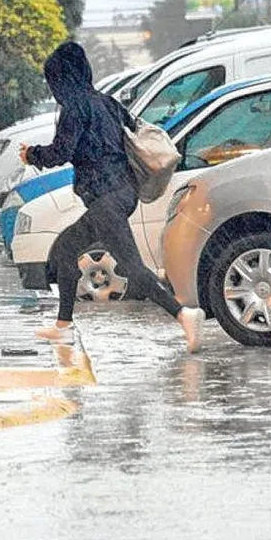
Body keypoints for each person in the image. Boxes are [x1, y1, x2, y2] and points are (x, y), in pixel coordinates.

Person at [20, 42, 207, 353]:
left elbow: (60, 152)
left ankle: (184, 315)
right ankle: (63, 327)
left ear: (60, 79)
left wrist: (32, 154)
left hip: (106, 197)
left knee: (133, 269)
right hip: (122, 191)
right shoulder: (106, 102)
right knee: (66, 250)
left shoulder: (75, 108)